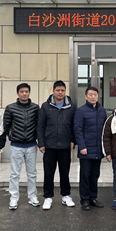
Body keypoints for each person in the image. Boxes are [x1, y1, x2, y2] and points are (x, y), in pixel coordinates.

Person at [37, 80, 77, 210]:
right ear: (53, 91)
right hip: (49, 146)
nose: (60, 93)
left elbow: (74, 126)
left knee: (65, 173)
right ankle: (48, 197)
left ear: (65, 92)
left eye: (62, 90)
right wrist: (41, 143)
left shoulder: (71, 106)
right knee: (49, 173)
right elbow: (40, 126)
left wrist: (74, 141)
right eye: (58, 90)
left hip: (65, 146)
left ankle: (66, 195)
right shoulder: (45, 106)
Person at [3, 83, 40, 210]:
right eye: (22, 91)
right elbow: (6, 125)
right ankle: (14, 197)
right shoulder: (10, 108)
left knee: (32, 173)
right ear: (18, 93)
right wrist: (12, 136)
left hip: (31, 145)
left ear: (29, 93)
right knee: (15, 174)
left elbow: (38, 125)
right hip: (16, 146)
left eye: (26, 91)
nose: (24, 94)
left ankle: (32, 196)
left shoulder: (35, 108)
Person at [74, 86, 107, 211]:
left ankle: (93, 198)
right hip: (86, 149)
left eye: (95, 95)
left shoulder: (102, 111)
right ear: (86, 96)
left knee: (95, 175)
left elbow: (105, 130)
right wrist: (82, 146)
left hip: (98, 149)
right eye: (90, 95)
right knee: (85, 176)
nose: (93, 97)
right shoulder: (81, 111)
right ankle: (84, 199)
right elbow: (77, 130)